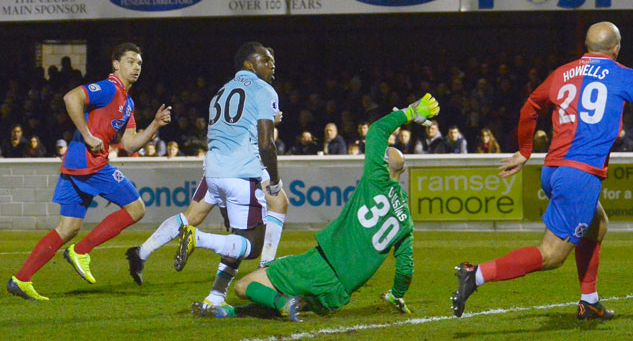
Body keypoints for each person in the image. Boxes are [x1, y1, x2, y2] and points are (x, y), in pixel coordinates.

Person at [451, 22, 633, 321]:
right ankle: (475, 275)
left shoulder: (562, 72)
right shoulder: (624, 75)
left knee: (598, 224)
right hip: (579, 174)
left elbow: (530, 108)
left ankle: (589, 301)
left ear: (587, 47)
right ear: (616, 48)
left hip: (553, 169)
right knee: (551, 255)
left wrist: (526, 151)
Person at [201, 94, 440, 321]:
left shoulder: (376, 180)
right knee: (288, 299)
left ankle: (270, 304)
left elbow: (377, 130)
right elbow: (406, 269)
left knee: (244, 287)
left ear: (384, 163)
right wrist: (396, 294)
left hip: (321, 265)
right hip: (339, 294)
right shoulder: (406, 220)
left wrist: (409, 111)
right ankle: (235, 313)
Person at [7, 42, 172, 301]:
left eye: (139, 63)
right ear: (116, 65)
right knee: (136, 208)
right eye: (130, 61)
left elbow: (129, 143)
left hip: (76, 163)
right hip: (90, 162)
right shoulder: (109, 88)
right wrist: (87, 134)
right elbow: (71, 97)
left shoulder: (127, 102)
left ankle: (22, 279)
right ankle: (81, 251)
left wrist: (154, 125)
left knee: (68, 227)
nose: (136, 67)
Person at [160, 41, 291, 316]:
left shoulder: (221, 91)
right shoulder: (263, 89)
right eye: (266, 60)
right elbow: (266, 143)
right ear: (248, 64)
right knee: (251, 244)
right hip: (243, 169)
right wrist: (275, 179)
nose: (272, 65)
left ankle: (216, 295)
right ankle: (255, 261)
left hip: (216, 170)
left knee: (266, 215)